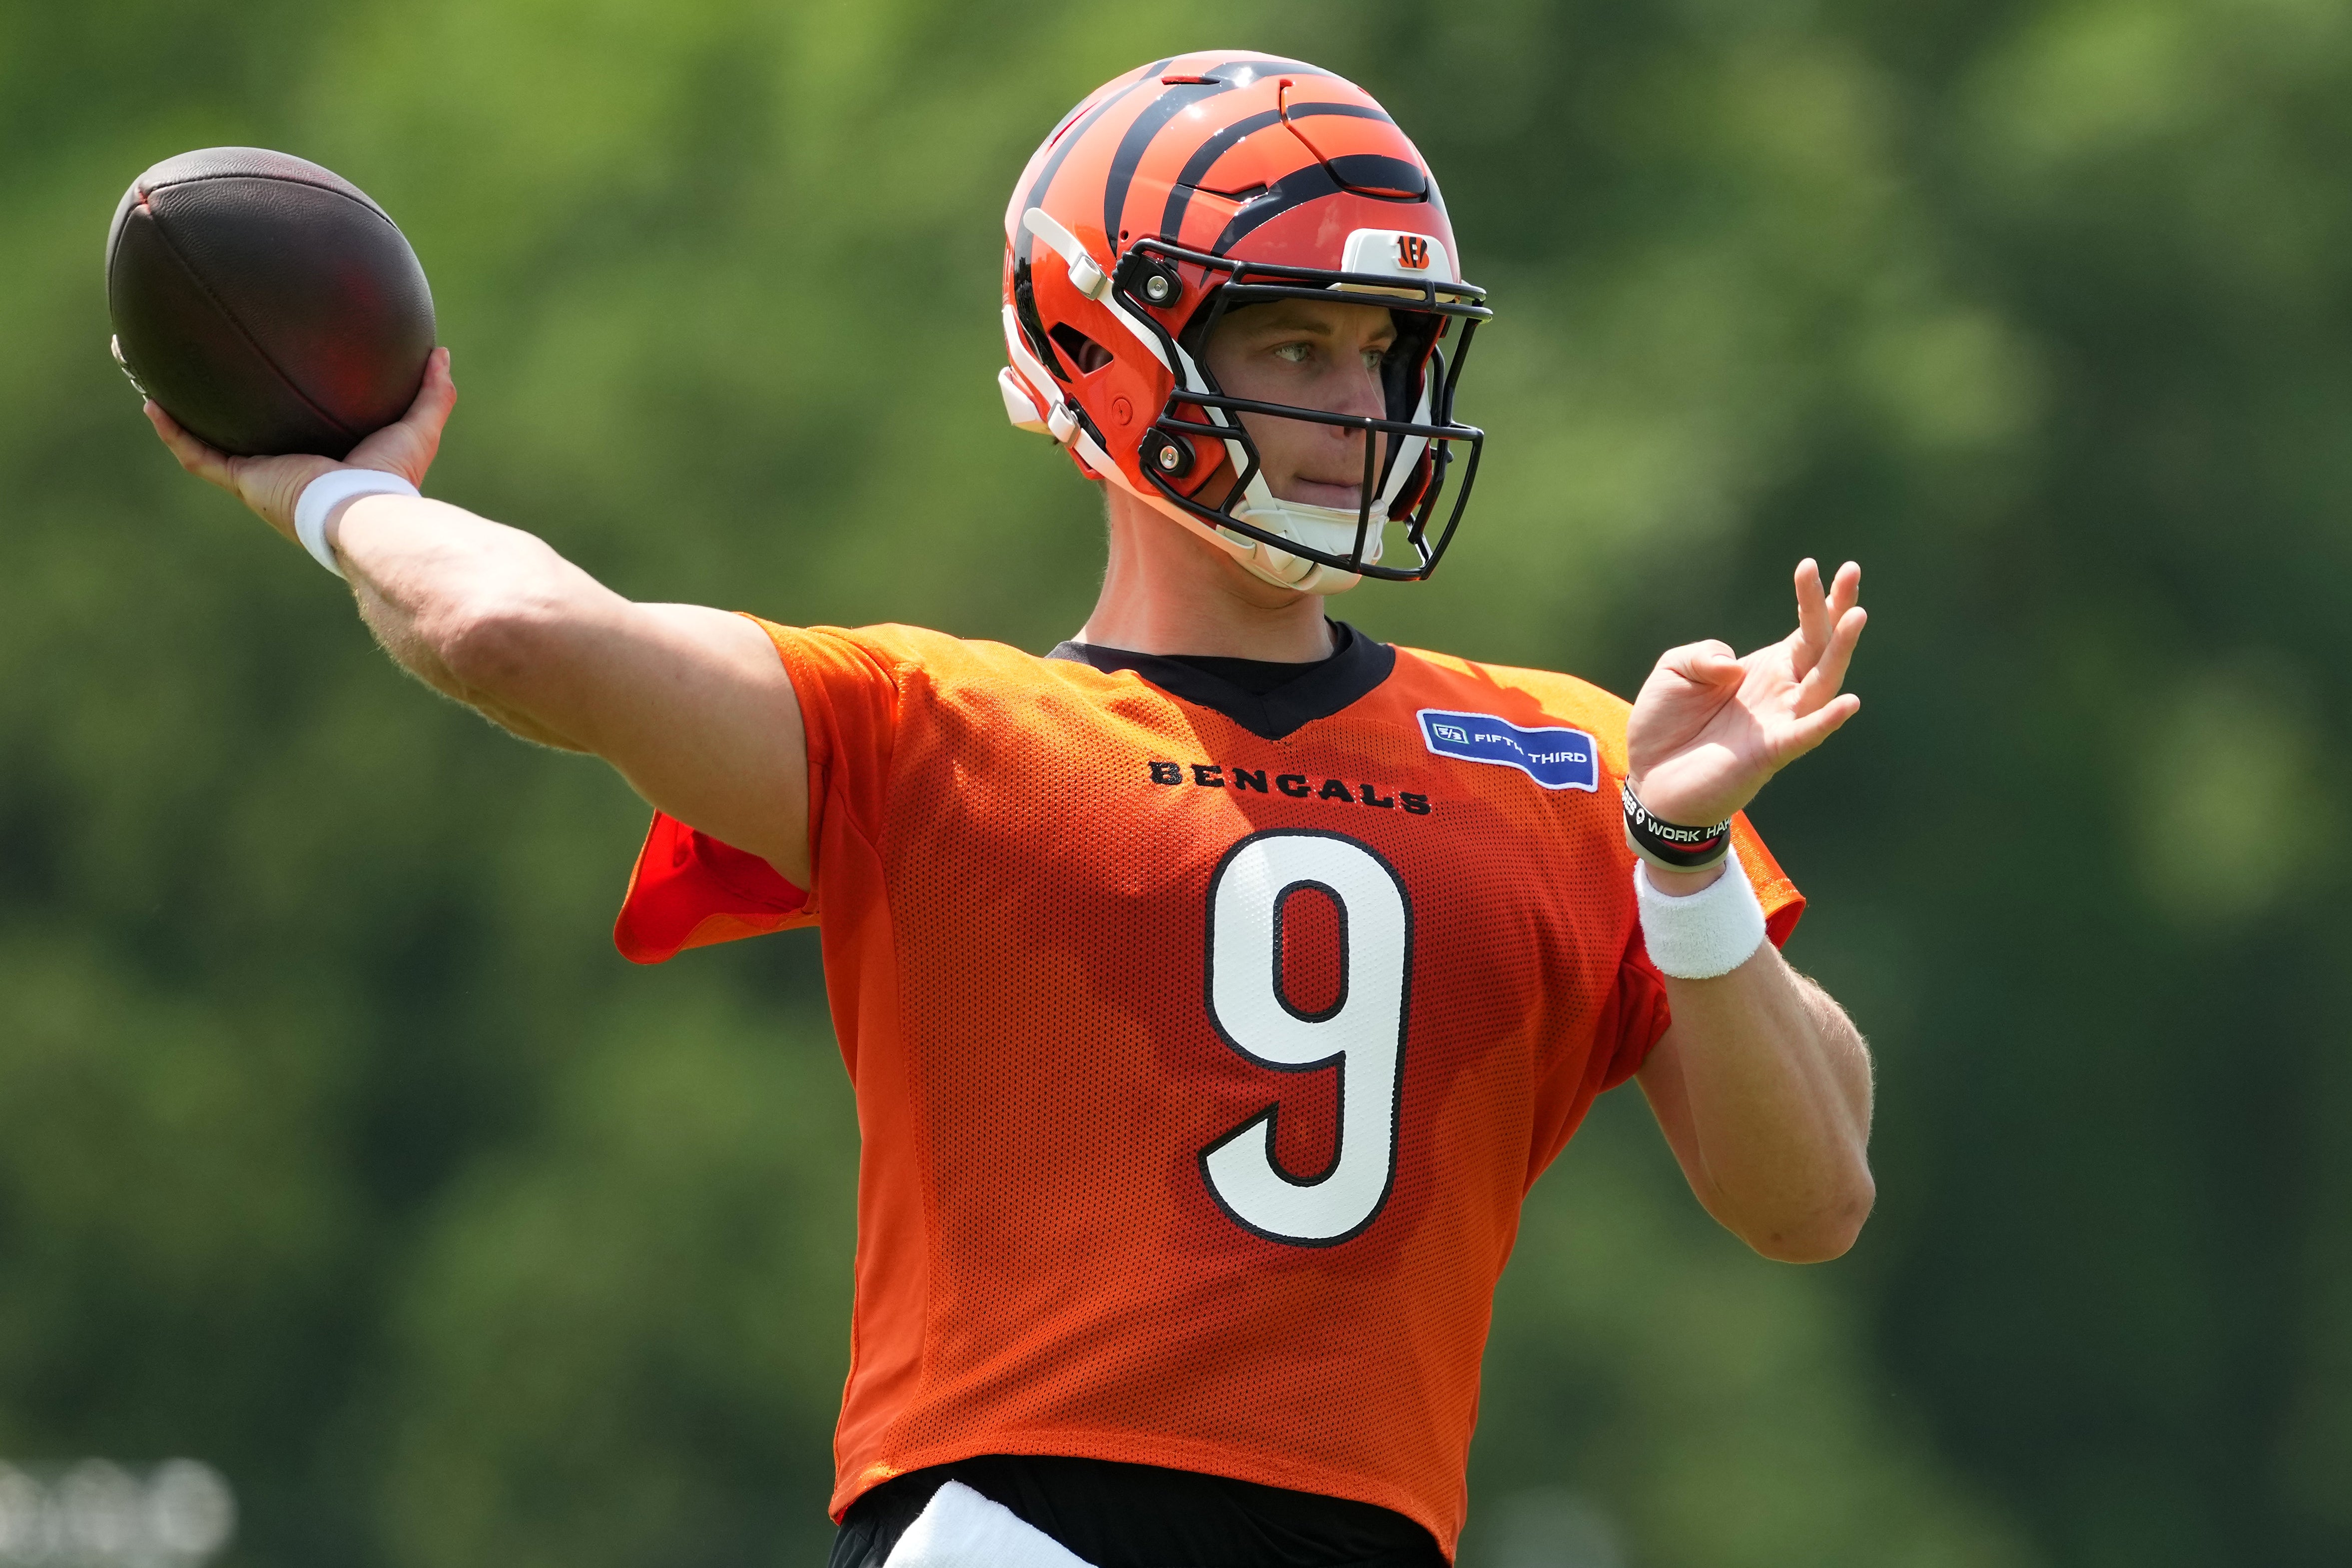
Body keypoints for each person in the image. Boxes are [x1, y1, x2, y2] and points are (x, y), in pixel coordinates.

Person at [146, 51, 1874, 1568]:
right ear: (1103, 347)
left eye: (1384, 351)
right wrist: (344, 498)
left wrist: (1684, 864)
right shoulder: (943, 730)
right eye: (1295, 342)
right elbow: (519, 631)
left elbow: (1809, 1196)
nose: (1361, 409)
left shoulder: (1576, 759)